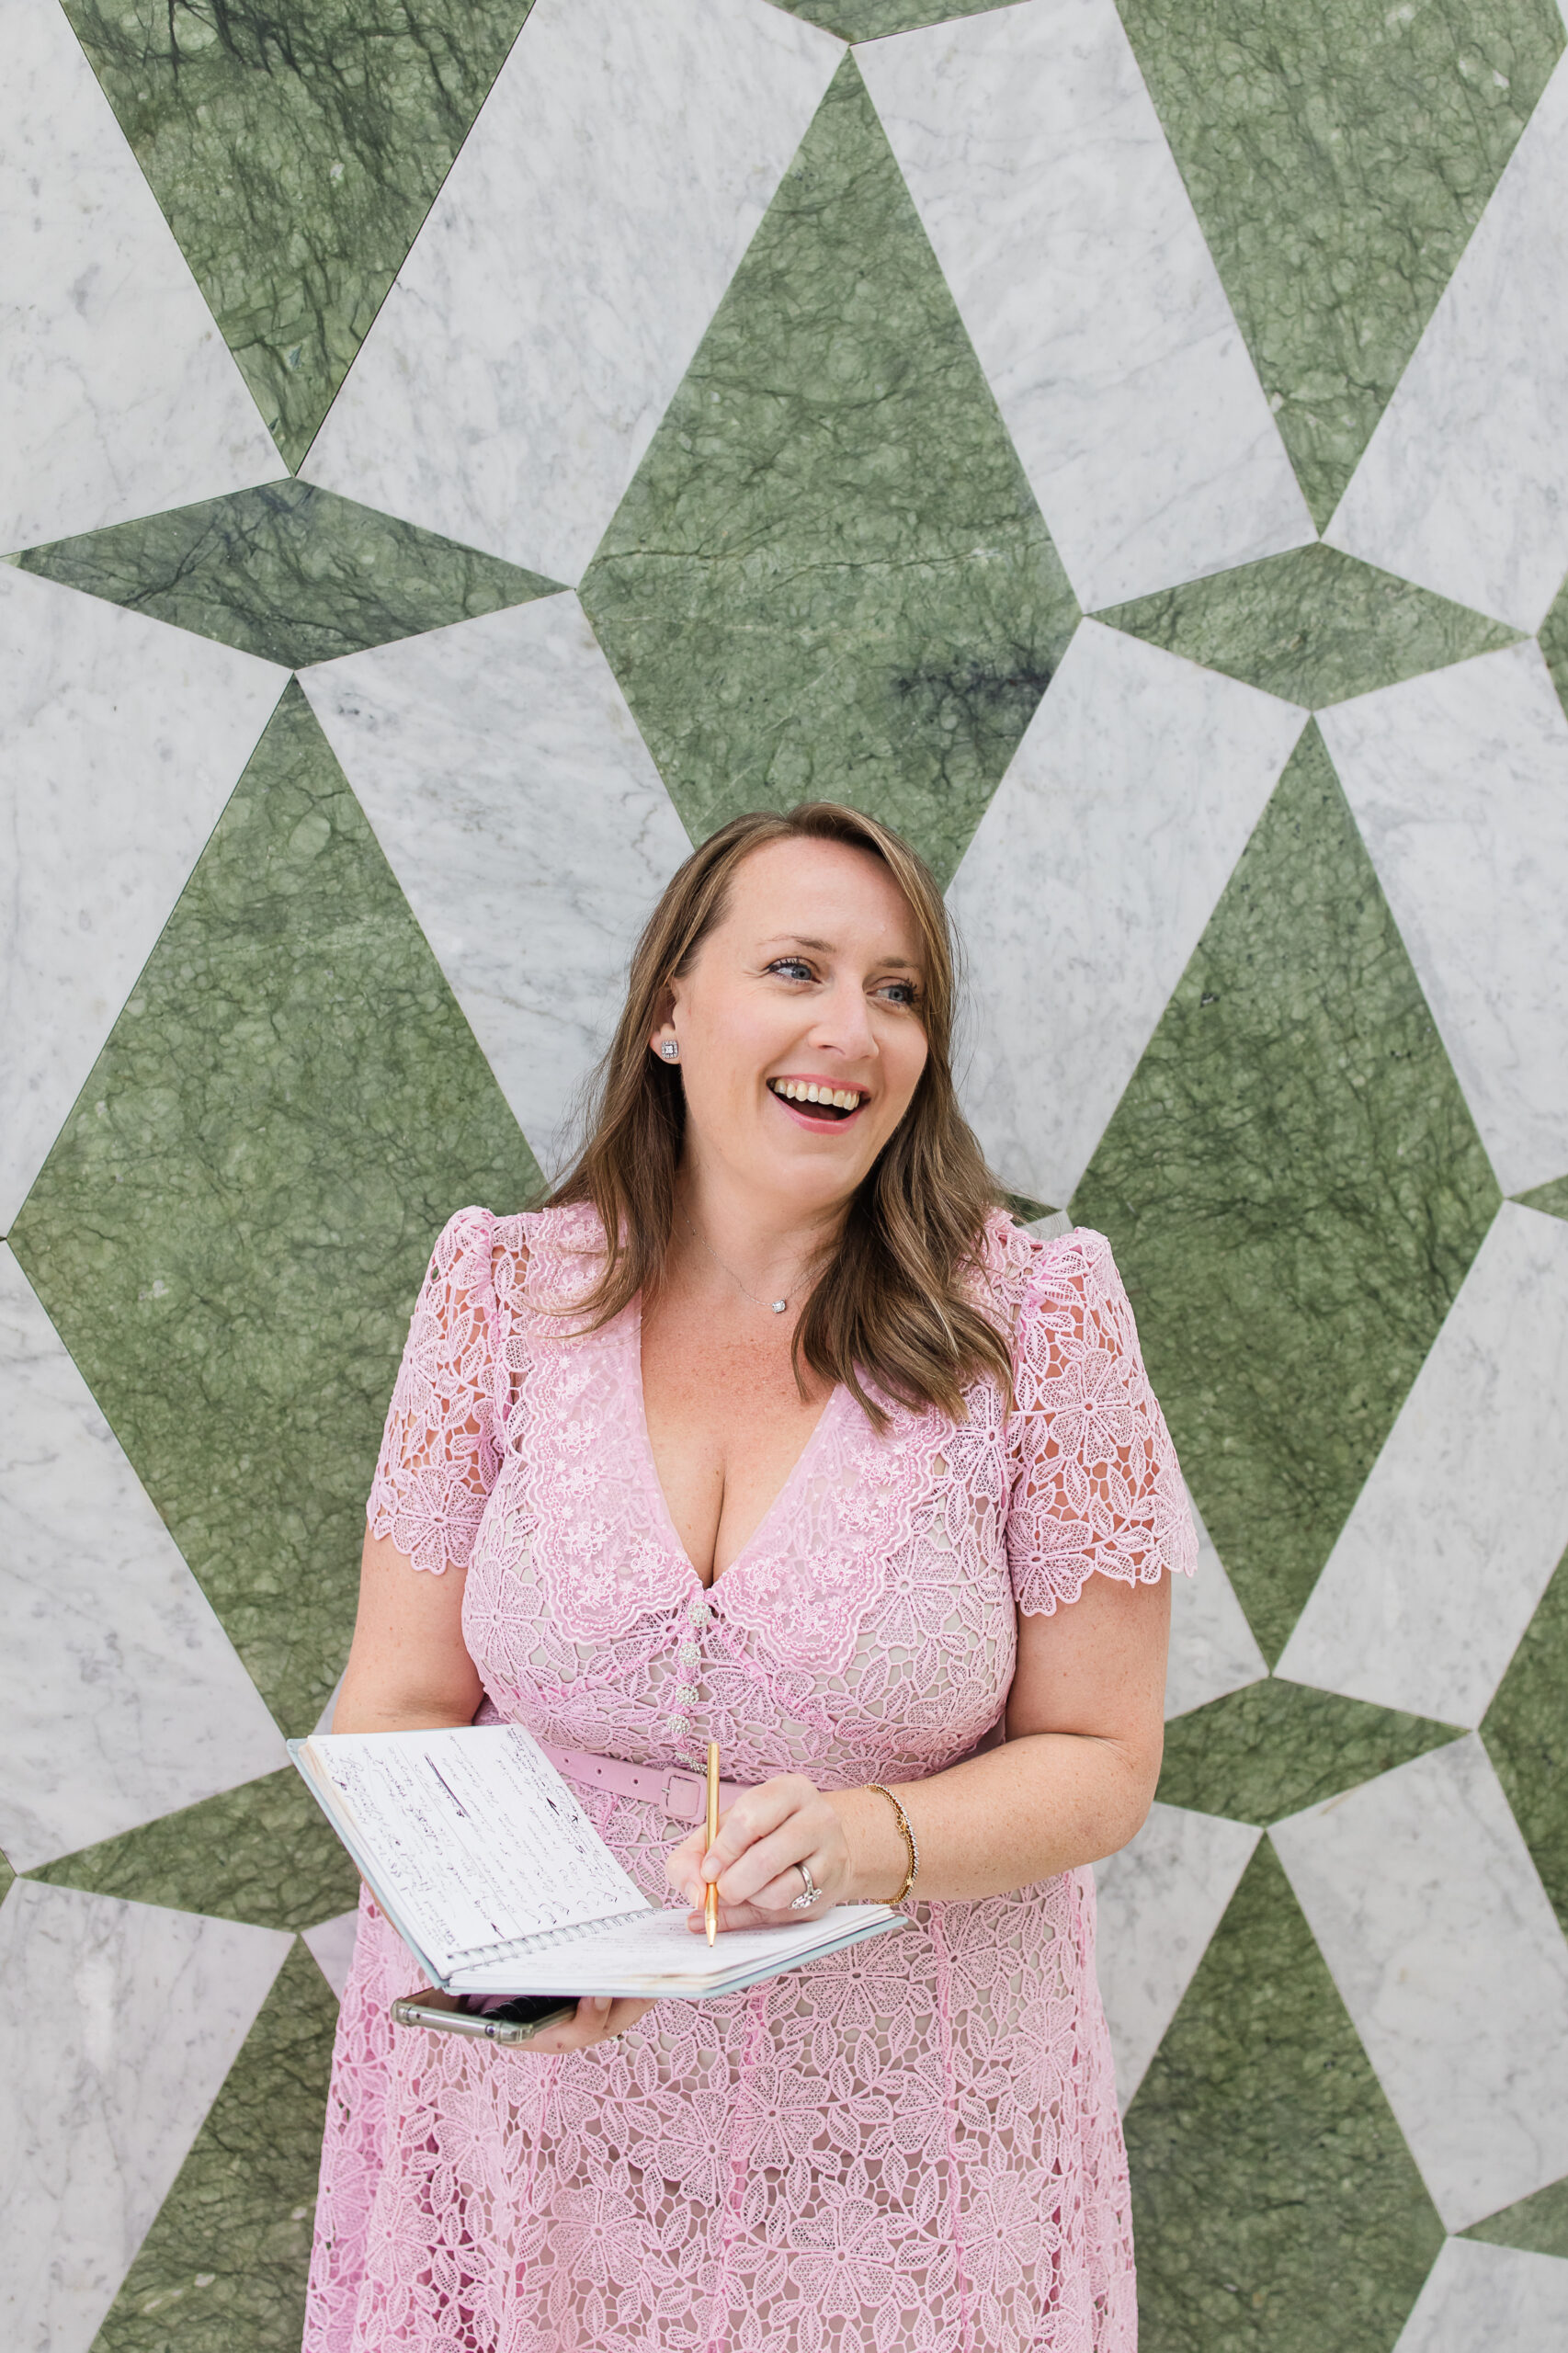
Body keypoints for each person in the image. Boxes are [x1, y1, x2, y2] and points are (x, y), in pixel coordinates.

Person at [305, 801, 1195, 2353]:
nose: (851, 1029)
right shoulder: (500, 1292)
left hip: (907, 2164)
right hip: (530, 2145)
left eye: (899, 991)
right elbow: (396, 1704)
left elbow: (1105, 1757)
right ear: (671, 1010)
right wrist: (512, 1958)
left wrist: (869, 1839)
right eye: (797, 968)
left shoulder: (1042, 1325)